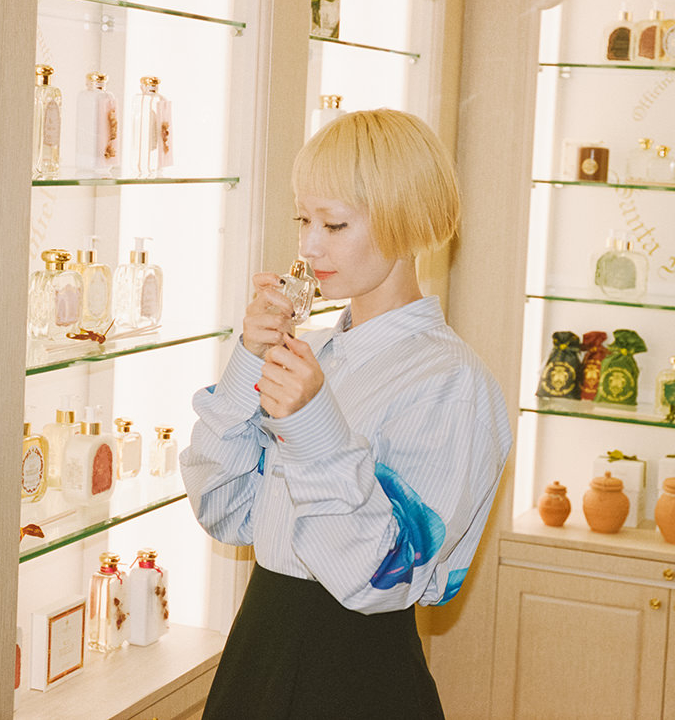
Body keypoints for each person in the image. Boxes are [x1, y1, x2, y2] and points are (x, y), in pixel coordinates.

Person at [179, 108, 512, 719]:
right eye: (303, 219)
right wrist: (249, 359)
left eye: (334, 224)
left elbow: (380, 575)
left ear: (407, 223)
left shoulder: (451, 383)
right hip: (257, 646)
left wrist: (312, 425)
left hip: (354, 673)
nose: (309, 246)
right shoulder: (318, 355)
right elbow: (223, 509)